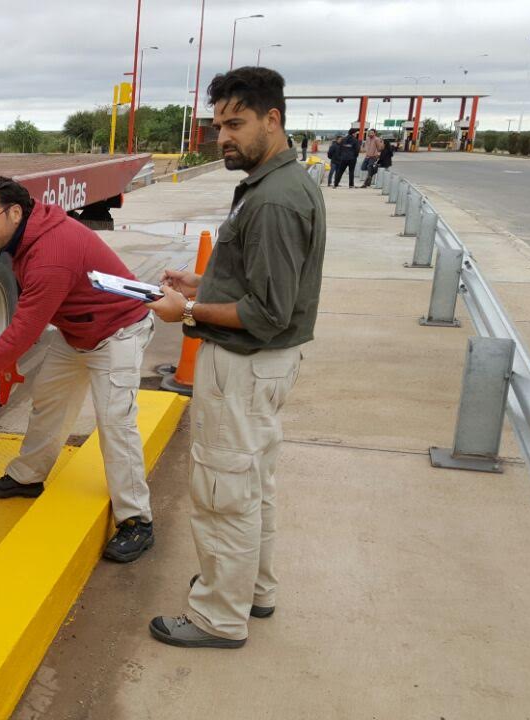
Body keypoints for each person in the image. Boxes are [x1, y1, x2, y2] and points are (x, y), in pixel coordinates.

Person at [144, 66, 326, 649]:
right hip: (264, 362)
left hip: (247, 363)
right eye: (218, 123)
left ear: (273, 119)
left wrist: (188, 314)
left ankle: (219, 616)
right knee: (252, 482)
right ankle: (254, 591)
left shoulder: (273, 199)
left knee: (224, 491)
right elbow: (262, 282)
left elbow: (268, 311)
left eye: (236, 123)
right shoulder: (275, 182)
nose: (223, 136)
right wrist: (203, 282)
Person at [0, 176, 158, 563]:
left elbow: (24, 331)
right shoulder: (29, 234)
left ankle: (137, 520)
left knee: (115, 423)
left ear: (16, 212)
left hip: (118, 331)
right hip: (78, 331)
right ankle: (27, 477)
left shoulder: (50, 255)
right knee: (48, 403)